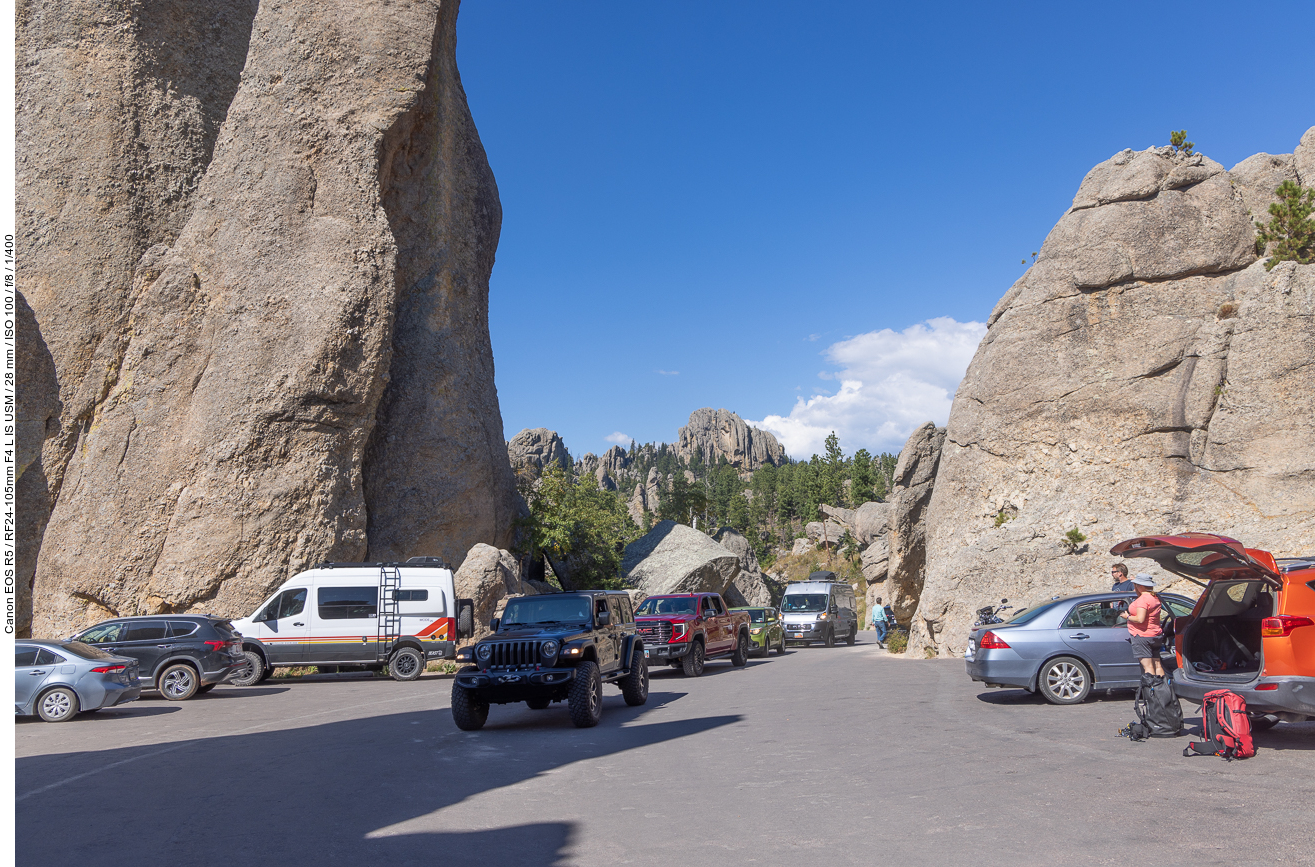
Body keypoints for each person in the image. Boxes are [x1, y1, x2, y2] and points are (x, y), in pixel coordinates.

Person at [1119, 574, 1164, 676]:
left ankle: (1152, 689)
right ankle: (1162, 689)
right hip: (1155, 634)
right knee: (1157, 665)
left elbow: (1140, 619)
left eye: (1136, 584)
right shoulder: (1155, 598)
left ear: (1141, 586)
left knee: (1148, 667)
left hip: (1142, 635)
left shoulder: (1143, 600)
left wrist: (1127, 617)